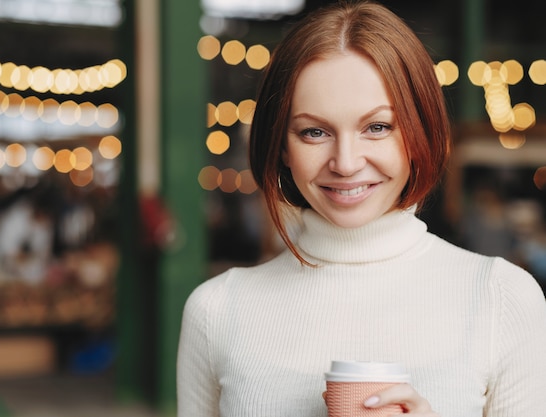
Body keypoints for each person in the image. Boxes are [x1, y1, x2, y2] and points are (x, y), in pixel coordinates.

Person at [176, 1, 546, 416]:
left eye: (377, 127)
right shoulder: (217, 311)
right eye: (314, 132)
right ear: (281, 146)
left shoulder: (502, 300)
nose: (346, 162)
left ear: (418, 131)